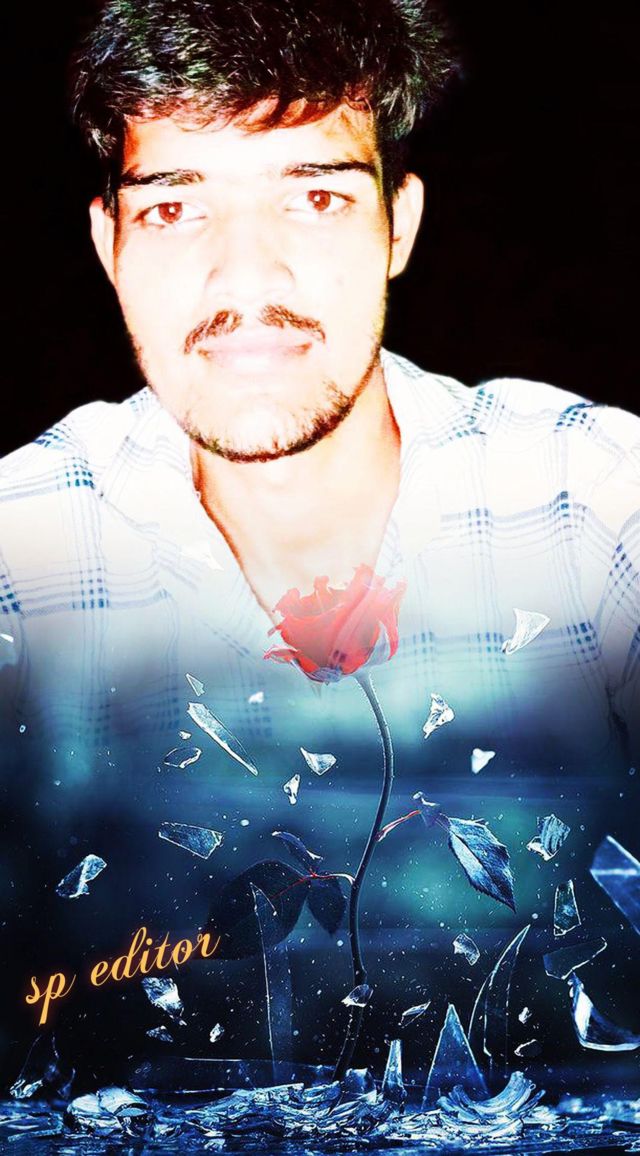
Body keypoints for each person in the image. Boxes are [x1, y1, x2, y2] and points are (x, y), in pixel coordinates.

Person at [0, 0, 638, 1096]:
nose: (245, 280)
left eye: (315, 197)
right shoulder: (25, 544)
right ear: (110, 244)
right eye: (175, 209)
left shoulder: (592, 502)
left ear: (398, 225)